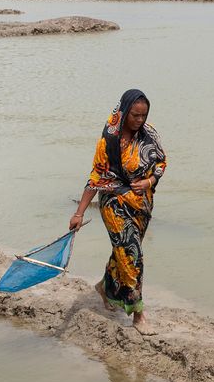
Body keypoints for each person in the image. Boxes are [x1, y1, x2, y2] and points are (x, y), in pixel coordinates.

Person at [70, 89, 166, 335]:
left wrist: (149, 182)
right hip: (113, 202)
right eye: (135, 115)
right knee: (132, 255)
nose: (139, 120)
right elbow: (96, 176)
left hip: (142, 204)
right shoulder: (109, 140)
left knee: (122, 254)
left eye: (144, 115)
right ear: (124, 111)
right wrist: (79, 213)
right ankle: (139, 315)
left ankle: (105, 287)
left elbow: (161, 162)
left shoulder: (149, 133)